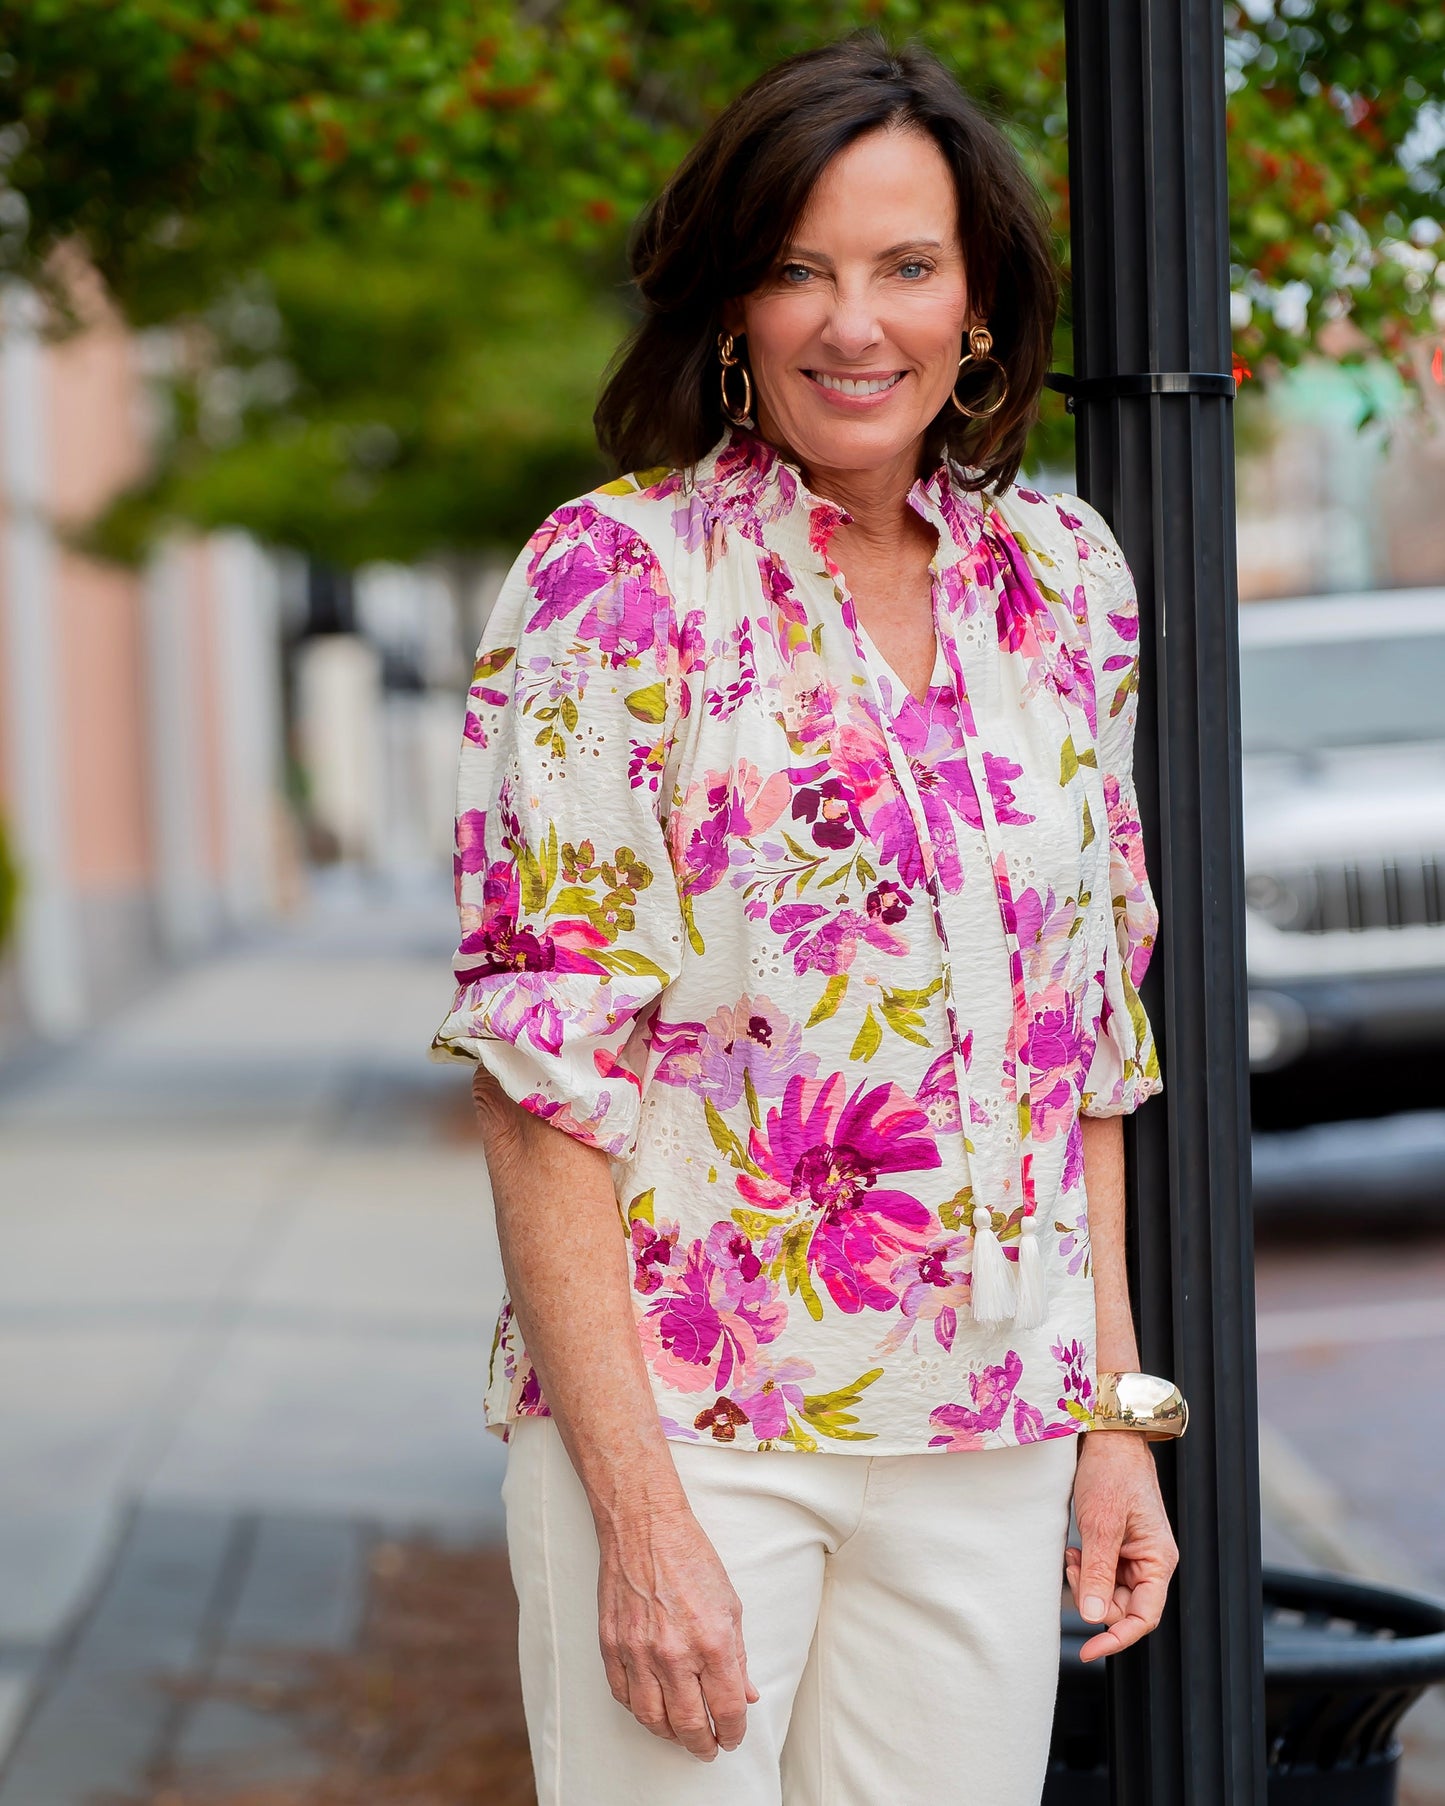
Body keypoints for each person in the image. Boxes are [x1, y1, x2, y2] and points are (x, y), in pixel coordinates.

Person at [432, 33, 1181, 1806]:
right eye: (799, 269)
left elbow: (1077, 1042)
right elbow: (540, 1074)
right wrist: (637, 1519)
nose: (857, 325)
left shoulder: (1062, 587)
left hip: (989, 1435)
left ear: (977, 300)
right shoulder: (618, 582)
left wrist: (1114, 1421)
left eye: (906, 267)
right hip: (696, 1436)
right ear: (731, 305)